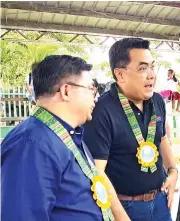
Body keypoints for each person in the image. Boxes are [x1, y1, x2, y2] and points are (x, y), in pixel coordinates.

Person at [1, 55, 129, 221]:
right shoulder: (31, 143)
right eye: (91, 89)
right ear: (66, 91)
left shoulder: (67, 134)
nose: (96, 97)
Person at [83, 38, 178, 221]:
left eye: (152, 67)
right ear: (120, 75)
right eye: (143, 69)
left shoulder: (157, 101)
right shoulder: (102, 111)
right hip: (124, 207)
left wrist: (173, 170)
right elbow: (97, 173)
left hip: (160, 202)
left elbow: (162, 138)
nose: (151, 75)